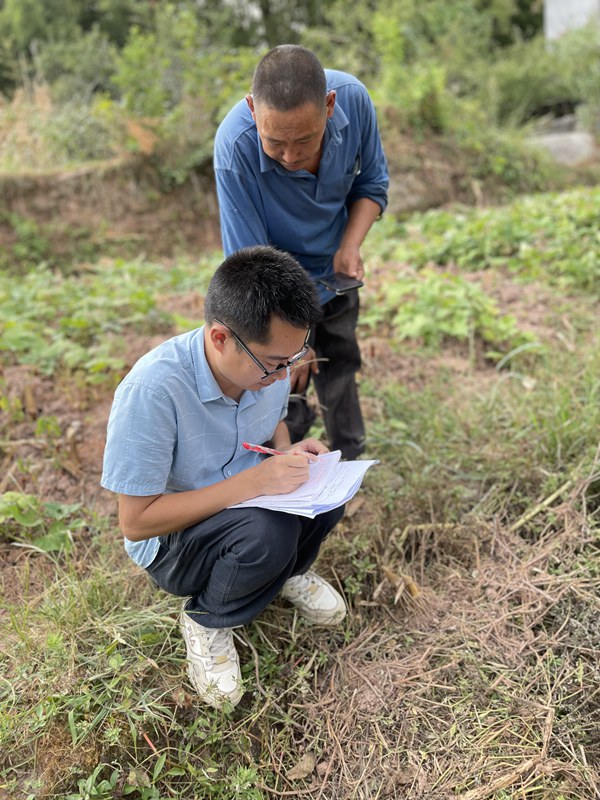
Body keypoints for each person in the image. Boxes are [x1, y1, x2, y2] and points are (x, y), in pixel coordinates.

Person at [101, 246, 347, 709]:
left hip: (242, 498)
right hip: (175, 541)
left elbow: (271, 423)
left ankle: (288, 571)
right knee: (267, 532)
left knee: (328, 487)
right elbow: (136, 523)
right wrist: (255, 484)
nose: (283, 377)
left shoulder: (263, 369)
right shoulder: (152, 392)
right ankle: (207, 620)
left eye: (294, 360)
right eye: (275, 363)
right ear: (219, 337)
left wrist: (286, 452)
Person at [214, 44, 389, 460]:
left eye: (306, 141)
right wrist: (294, 342)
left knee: (341, 366)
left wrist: (349, 245)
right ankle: (281, 476)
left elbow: (373, 184)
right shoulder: (234, 148)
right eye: (275, 144)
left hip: (335, 276)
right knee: (283, 386)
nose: (291, 156)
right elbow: (250, 266)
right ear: (252, 108)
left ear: (329, 106)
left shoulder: (355, 101)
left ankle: (348, 464)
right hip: (274, 292)